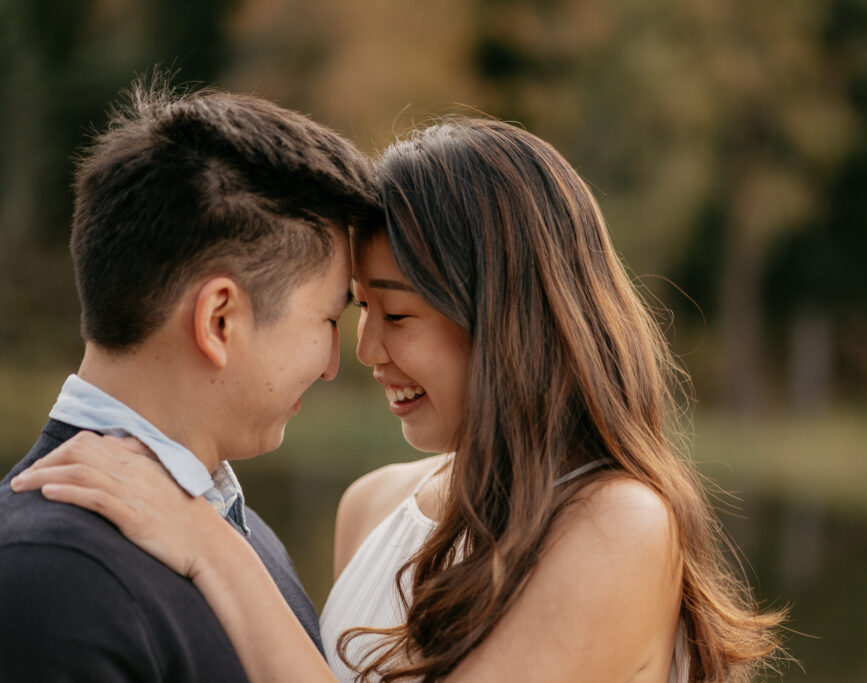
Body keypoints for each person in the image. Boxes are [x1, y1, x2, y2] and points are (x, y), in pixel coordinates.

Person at [13, 118, 786, 681]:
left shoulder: (616, 526)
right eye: (352, 312)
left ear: (505, 319)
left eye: (399, 314)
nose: (364, 352)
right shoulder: (370, 508)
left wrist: (209, 544)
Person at [0, 78, 378, 680]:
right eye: (330, 318)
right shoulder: (47, 577)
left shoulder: (245, 540)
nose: (335, 364)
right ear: (219, 320)